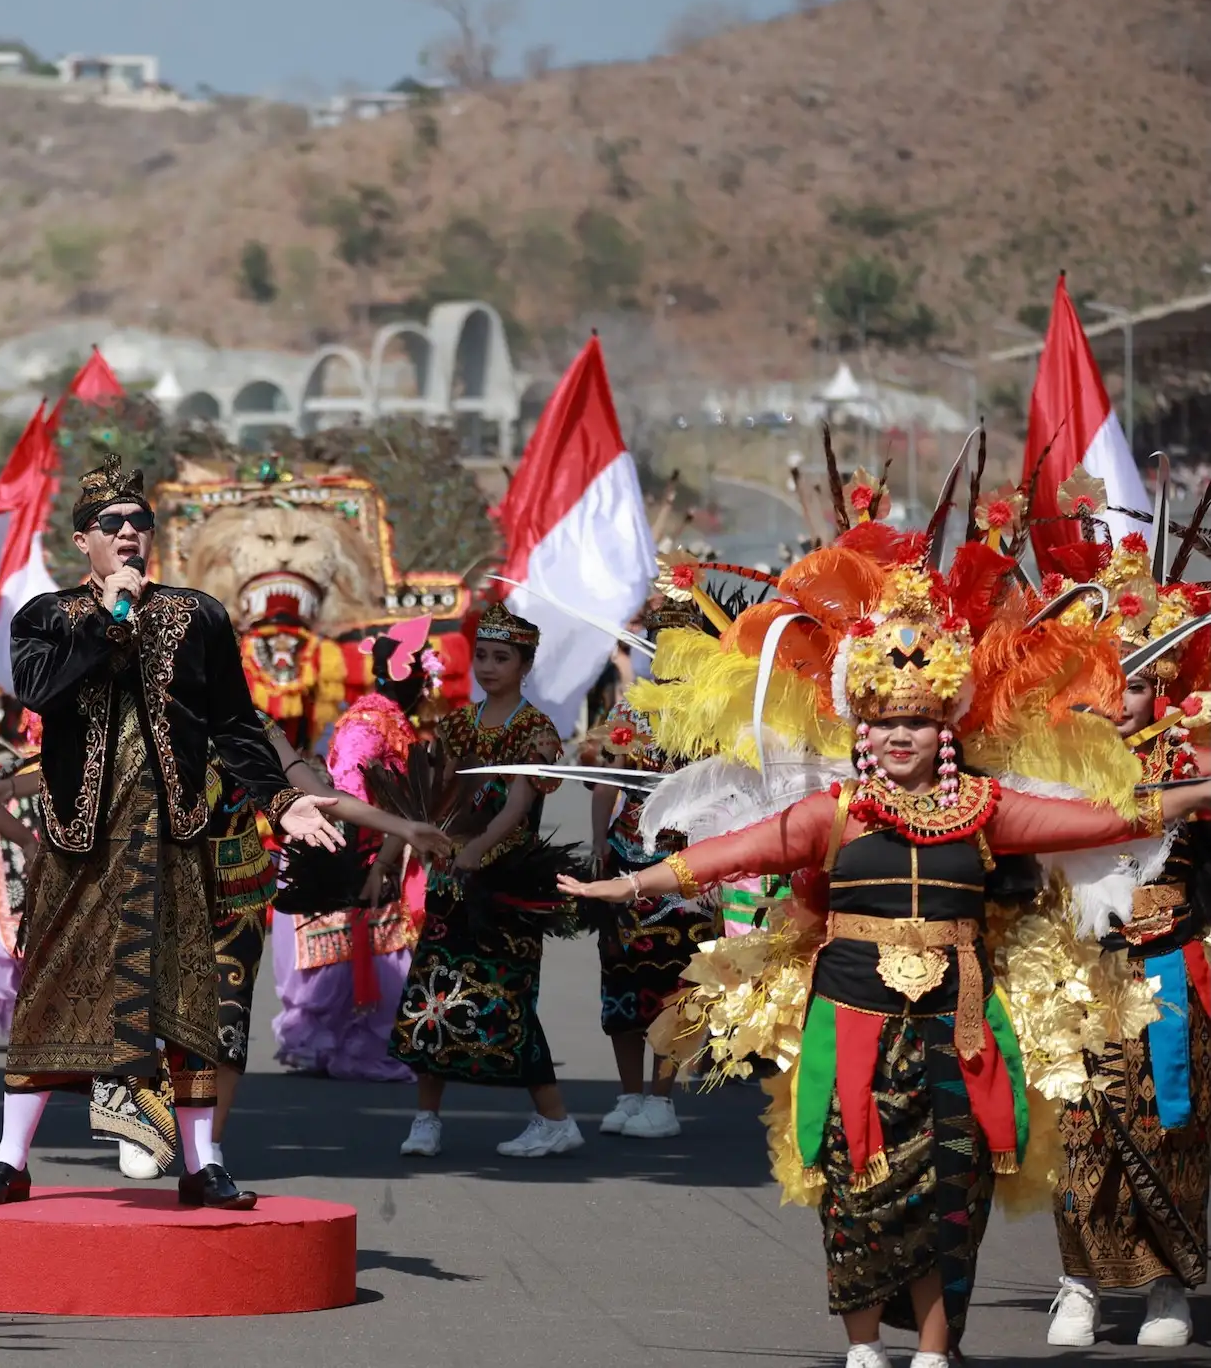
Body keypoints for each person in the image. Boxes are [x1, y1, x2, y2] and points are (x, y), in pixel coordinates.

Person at [560, 536, 1211, 1368]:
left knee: (951, 1189)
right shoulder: (829, 814)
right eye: (885, 721)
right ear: (861, 725)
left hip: (960, 1026)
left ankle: (936, 1351)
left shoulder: (985, 806)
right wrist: (627, 885)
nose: (900, 735)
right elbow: (732, 853)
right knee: (855, 1189)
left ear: (942, 722)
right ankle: (864, 1347)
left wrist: (1192, 793)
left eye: (916, 719)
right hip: (852, 1022)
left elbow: (1108, 819)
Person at [0, 454, 346, 1211]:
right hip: (81, 843)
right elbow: (40, 690)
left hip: (173, 840)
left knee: (190, 997)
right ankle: (10, 1159)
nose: (130, 533)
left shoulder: (198, 614)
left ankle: (202, 1164)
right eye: (113, 524)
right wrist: (113, 616)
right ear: (83, 540)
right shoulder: (47, 617)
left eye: (141, 523)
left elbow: (234, 726)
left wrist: (278, 801)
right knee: (53, 990)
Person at [1047, 540, 1211, 1349]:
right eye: (1104, 686)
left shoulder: (1191, 764)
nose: (1120, 703)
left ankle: (1166, 1290)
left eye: (1138, 685)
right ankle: (1077, 1284)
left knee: (1168, 1130)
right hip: (1074, 977)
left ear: (1163, 691)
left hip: (1168, 976)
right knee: (1076, 1133)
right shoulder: (1049, 775)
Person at [393, 605, 583, 1159]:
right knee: (432, 994)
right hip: (451, 880)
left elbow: (520, 800)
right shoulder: (454, 725)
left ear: (525, 664)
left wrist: (478, 847)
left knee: (508, 1001)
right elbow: (435, 794)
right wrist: (408, 850)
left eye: (502, 657)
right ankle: (426, 1118)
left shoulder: (537, 730)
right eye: (481, 655)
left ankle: (555, 1120)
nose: (488, 666)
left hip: (507, 887)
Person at [275, 619, 434, 1083]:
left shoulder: (393, 720)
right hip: (351, 849)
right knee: (365, 960)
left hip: (379, 844)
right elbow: (350, 791)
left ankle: (360, 1040)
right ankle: (356, 1046)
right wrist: (379, 853)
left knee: (381, 957)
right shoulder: (369, 722)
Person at [585, 600, 718, 1141]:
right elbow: (609, 781)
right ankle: (627, 1094)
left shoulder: (714, 712)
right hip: (625, 858)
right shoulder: (630, 709)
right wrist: (597, 841)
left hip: (686, 864)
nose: (668, 654)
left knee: (676, 983)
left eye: (680, 642)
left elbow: (725, 793)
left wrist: (716, 864)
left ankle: (662, 1101)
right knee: (620, 979)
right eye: (660, 642)